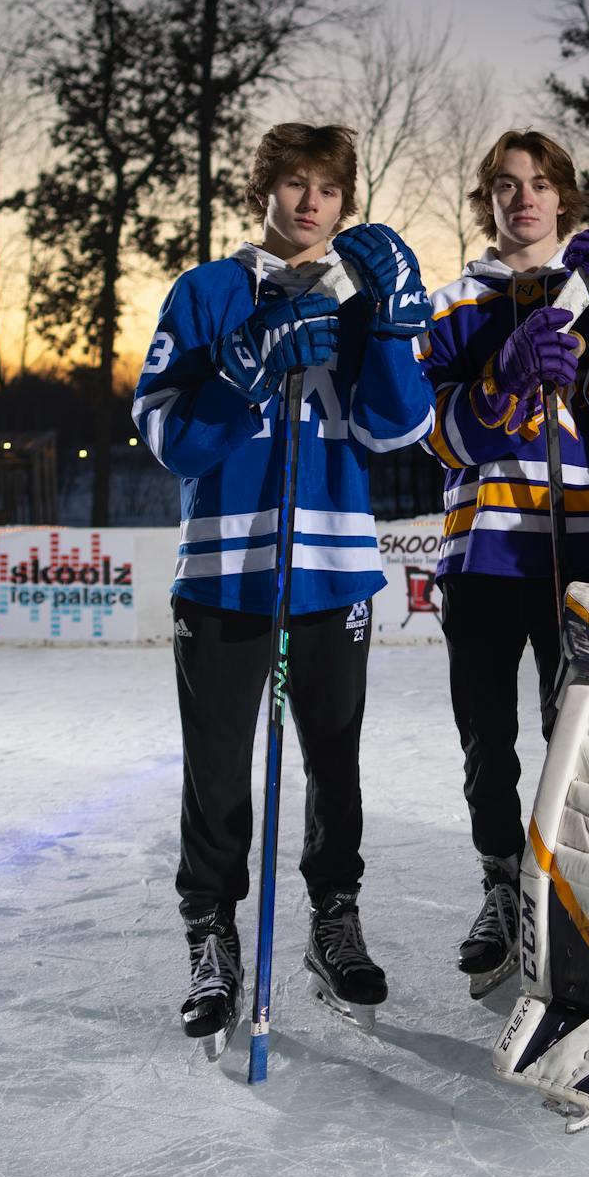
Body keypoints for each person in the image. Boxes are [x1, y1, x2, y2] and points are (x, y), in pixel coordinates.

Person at [132, 122, 437, 1046]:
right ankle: (213, 933)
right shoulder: (208, 291)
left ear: (347, 202)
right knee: (219, 769)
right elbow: (166, 436)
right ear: (264, 189)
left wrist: (384, 326)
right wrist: (246, 365)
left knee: (333, 762)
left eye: (330, 190)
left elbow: (398, 429)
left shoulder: (358, 293)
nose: (312, 204)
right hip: (226, 574)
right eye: (296, 184)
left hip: (334, 572)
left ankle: (333, 920)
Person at [422, 128, 589, 996]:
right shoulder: (452, 304)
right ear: (487, 200)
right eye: (505, 184)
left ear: (564, 197)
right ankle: (502, 886)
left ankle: (580, 887)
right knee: (488, 738)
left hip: (585, 544)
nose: (524, 197)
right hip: (484, 552)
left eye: (540, 183)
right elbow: (440, 438)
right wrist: (502, 376)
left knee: (588, 737)